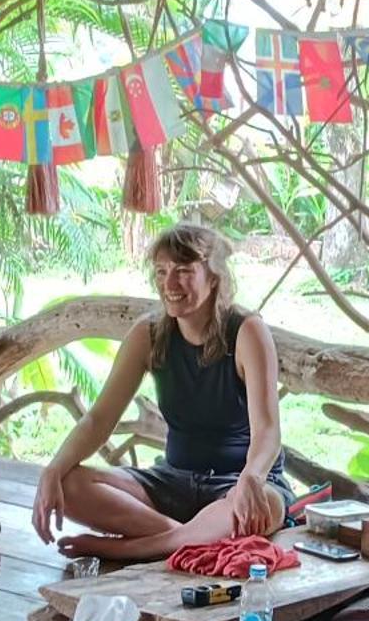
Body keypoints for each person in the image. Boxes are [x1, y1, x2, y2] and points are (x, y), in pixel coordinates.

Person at [33, 224, 291, 561]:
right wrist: (52, 470)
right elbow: (99, 419)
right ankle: (188, 539)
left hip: (238, 485)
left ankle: (137, 548)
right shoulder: (149, 333)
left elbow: (268, 430)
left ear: (213, 277)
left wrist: (252, 478)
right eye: (162, 271)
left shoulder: (246, 331)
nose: (169, 284)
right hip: (171, 482)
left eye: (183, 271)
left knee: (259, 508)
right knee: (69, 485)